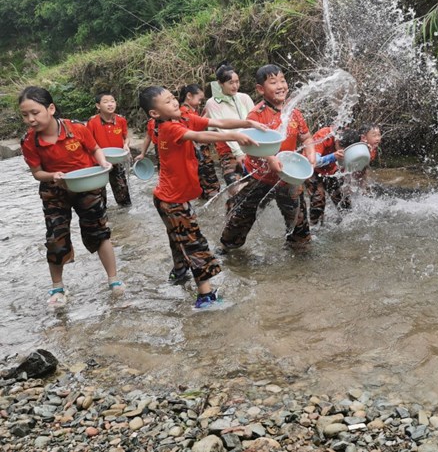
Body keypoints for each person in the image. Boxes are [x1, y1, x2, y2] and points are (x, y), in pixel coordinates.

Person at [138, 85, 265, 308]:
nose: (174, 102)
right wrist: (234, 136)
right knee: (194, 243)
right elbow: (200, 136)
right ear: (154, 114)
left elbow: (217, 123)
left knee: (179, 242)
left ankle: (178, 275)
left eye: (172, 98)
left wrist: (246, 123)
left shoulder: (184, 117)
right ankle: (205, 297)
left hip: (171, 198)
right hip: (172, 201)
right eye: (167, 102)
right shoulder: (168, 128)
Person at [19, 86, 123, 307]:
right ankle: (58, 288)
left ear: (51, 108)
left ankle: (114, 281)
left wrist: (103, 162)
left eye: (35, 113)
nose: (30, 119)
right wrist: (53, 175)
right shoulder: (29, 142)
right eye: (25, 115)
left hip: (87, 185)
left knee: (99, 232)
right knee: (55, 239)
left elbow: (95, 149)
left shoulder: (76, 128)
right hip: (54, 189)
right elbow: (37, 173)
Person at [220, 64, 316, 251]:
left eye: (282, 80)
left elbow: (306, 137)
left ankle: (299, 248)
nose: (280, 85)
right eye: (273, 82)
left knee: (298, 222)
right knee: (243, 215)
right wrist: (270, 157)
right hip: (259, 177)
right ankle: (228, 249)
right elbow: (249, 144)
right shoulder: (256, 115)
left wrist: (310, 153)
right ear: (260, 89)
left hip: (288, 177)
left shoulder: (293, 112)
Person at [307, 124, 381, 225]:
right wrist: (333, 156)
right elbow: (313, 161)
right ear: (337, 141)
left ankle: (347, 228)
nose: (343, 152)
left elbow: (358, 168)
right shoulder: (324, 135)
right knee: (318, 202)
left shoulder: (353, 138)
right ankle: (314, 230)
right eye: (341, 148)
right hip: (311, 170)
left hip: (331, 171)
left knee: (344, 203)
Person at [203, 62, 256, 188]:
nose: (235, 86)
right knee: (234, 188)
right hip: (227, 150)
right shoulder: (212, 103)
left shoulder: (244, 98)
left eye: (237, 82)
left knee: (253, 188)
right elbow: (222, 129)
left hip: (249, 147)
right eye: (230, 83)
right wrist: (238, 152)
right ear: (220, 83)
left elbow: (254, 121)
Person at [86, 92, 131, 207]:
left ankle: (125, 217)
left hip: (117, 160)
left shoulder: (121, 120)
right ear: (98, 106)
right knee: (99, 194)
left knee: (123, 193)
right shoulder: (92, 122)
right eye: (105, 102)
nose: (110, 104)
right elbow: (88, 143)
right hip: (99, 163)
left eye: (112, 101)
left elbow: (126, 137)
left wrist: (126, 145)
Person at [179, 84, 220, 199]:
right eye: (200, 99)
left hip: (200, 154)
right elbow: (194, 132)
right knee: (210, 186)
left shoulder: (190, 111)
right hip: (198, 155)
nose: (200, 102)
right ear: (189, 96)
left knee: (204, 185)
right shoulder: (184, 113)